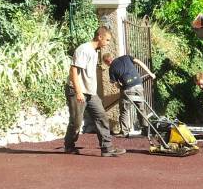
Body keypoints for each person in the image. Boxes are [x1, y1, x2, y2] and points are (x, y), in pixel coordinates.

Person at [64, 28, 126, 157]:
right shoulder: (84, 49)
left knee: (101, 116)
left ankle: (107, 148)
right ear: (99, 37)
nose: (108, 43)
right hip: (77, 91)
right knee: (76, 122)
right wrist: (79, 92)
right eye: (107, 40)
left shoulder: (94, 51)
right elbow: (73, 71)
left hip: (90, 93)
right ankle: (69, 146)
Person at [102, 53, 156, 137]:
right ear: (112, 57)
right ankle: (146, 131)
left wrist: (121, 88)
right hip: (138, 85)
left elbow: (115, 83)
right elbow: (139, 62)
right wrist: (150, 73)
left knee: (124, 110)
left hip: (127, 88)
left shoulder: (111, 68)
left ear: (107, 62)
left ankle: (125, 133)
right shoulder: (126, 57)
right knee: (141, 109)